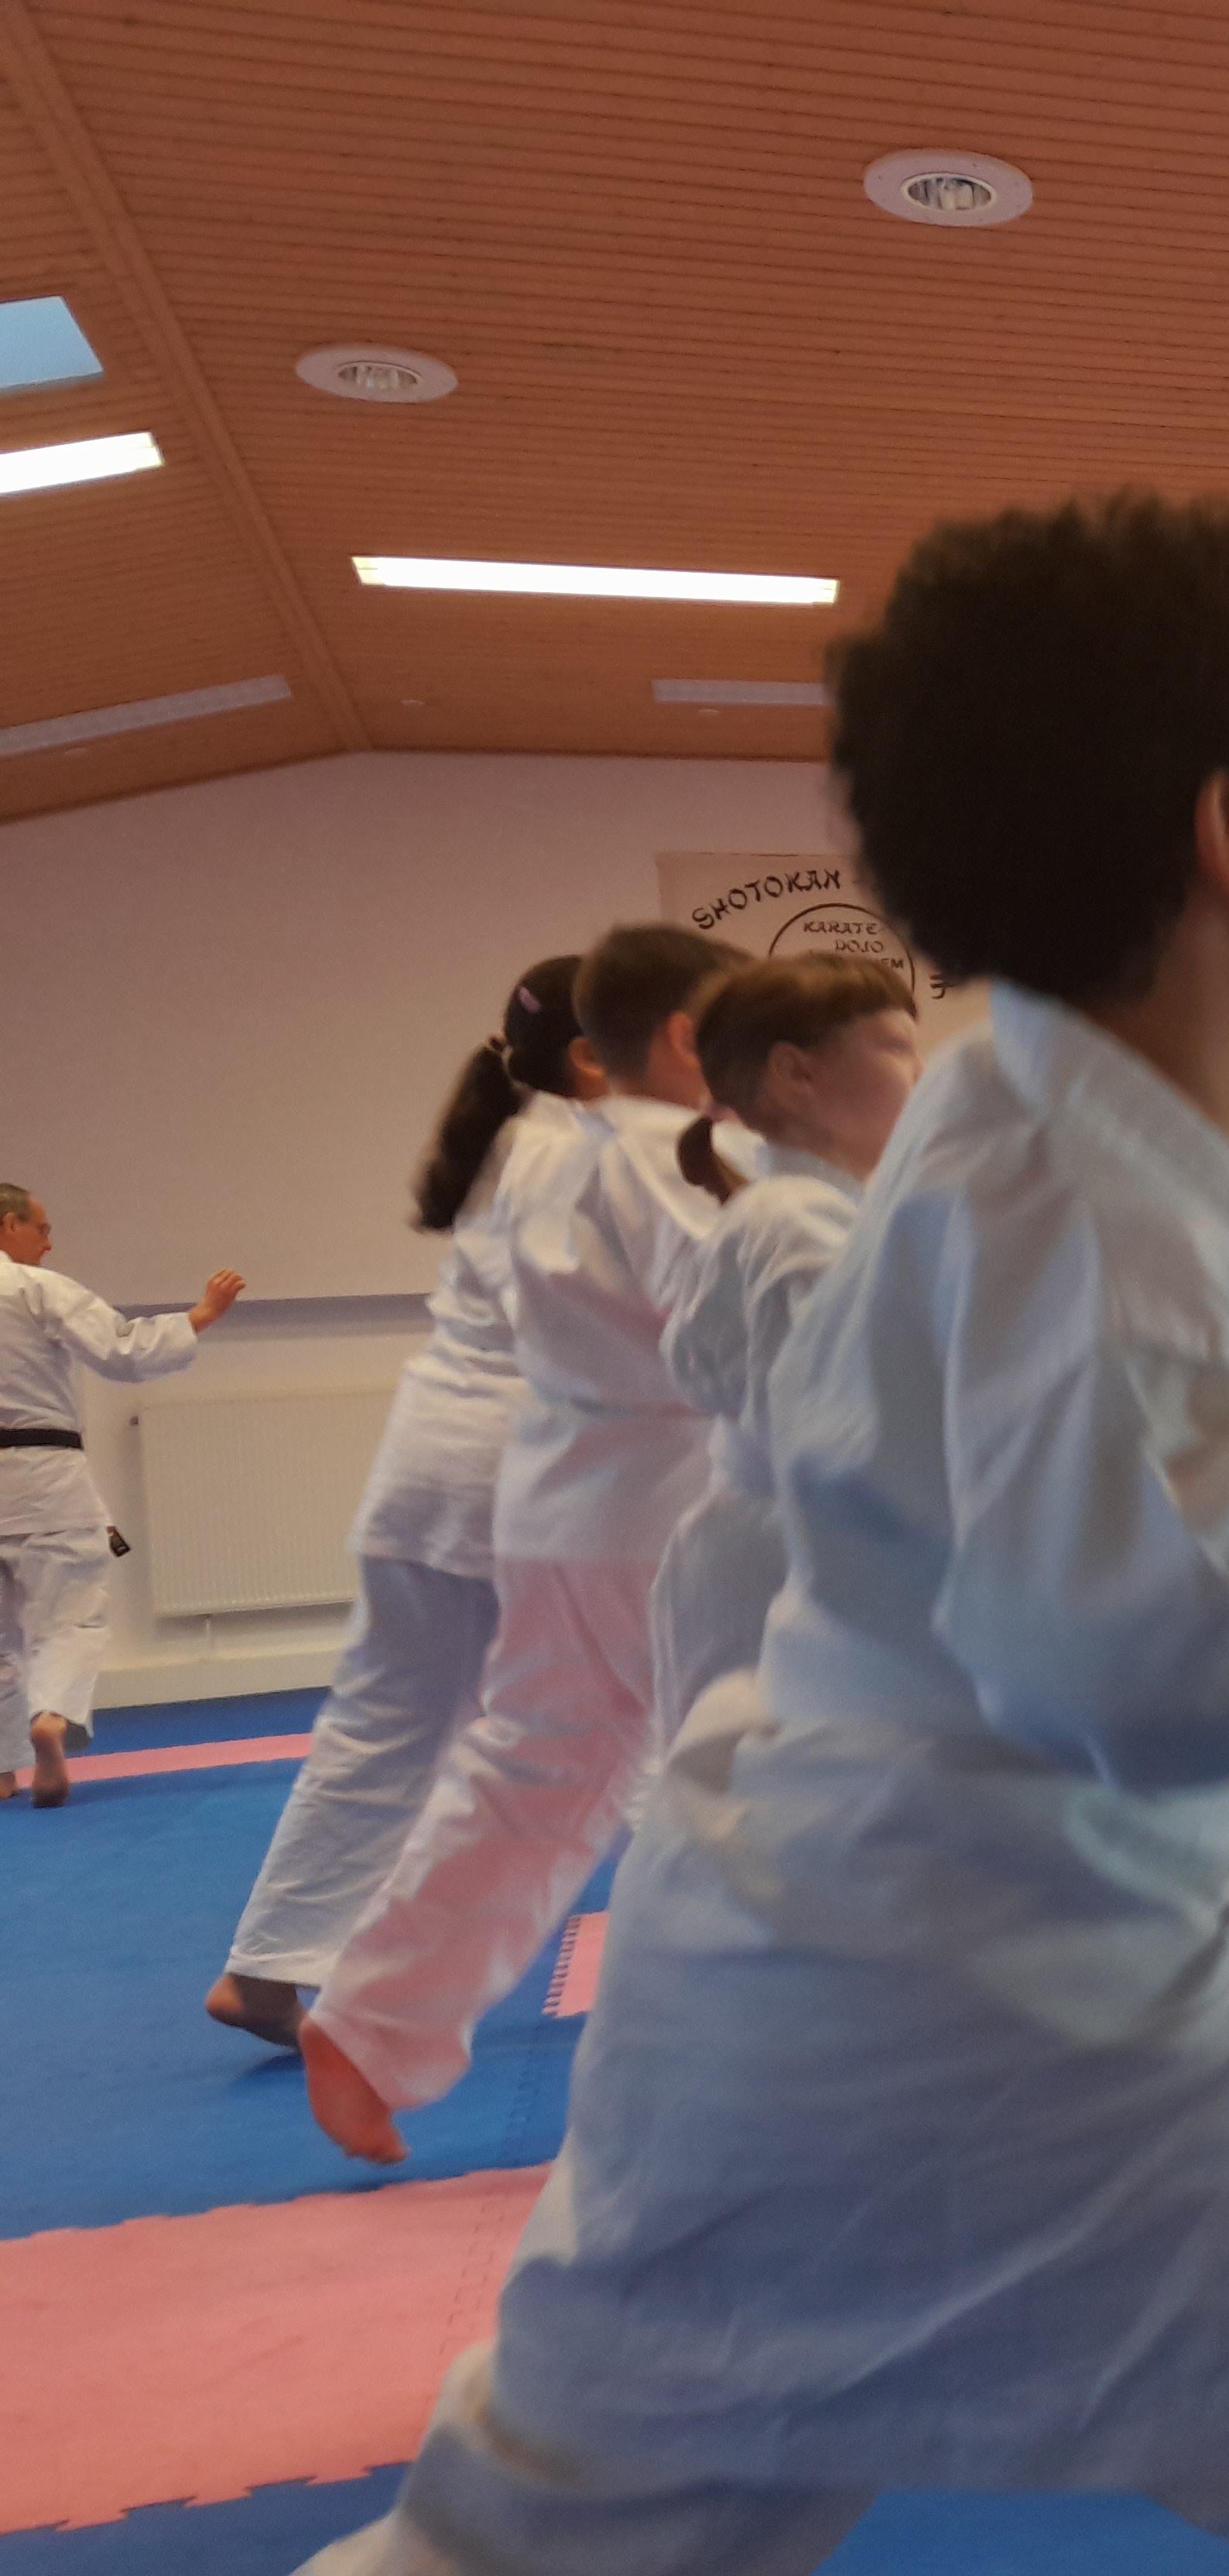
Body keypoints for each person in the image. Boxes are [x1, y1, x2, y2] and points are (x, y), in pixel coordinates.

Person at [203, 490, 1229, 2576]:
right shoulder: (1068, 1178)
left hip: (797, 2004)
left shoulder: (1109, 1114)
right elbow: (1147, 1626)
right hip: (1017, 2012)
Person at [296, 922, 741, 2166]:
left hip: (565, 1498)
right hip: (657, 1506)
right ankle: (761, 2045)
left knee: (543, 1767)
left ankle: (375, 2024)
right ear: (689, 1036)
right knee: (758, 1756)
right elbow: (737, 1320)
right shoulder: (671, 1154)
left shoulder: (542, 1150)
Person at [206, 962, 593, 2045]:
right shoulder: (572, 1153)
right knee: (648, 1708)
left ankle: (268, 1967)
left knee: (385, 1727)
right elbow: (590, 1326)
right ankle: (755, 1966)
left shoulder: (516, 1137)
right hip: (516, 1471)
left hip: (433, 1465)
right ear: (597, 1055)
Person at [653, 957, 923, 1746]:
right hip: (794, 1561)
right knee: (774, 1790)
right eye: (898, 1048)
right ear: (795, 1074)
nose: (923, 1073)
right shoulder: (794, 1223)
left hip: (797, 1549)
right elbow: (838, 1425)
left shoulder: (816, 1212)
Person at [0, 1187, 243, 1807]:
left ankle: (0, 1770)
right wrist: (201, 1315)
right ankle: (49, 1718)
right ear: (8, 1225)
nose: (48, 1243)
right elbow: (121, 1349)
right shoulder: (34, 1288)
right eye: (42, 1229)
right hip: (43, 1476)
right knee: (70, 1618)